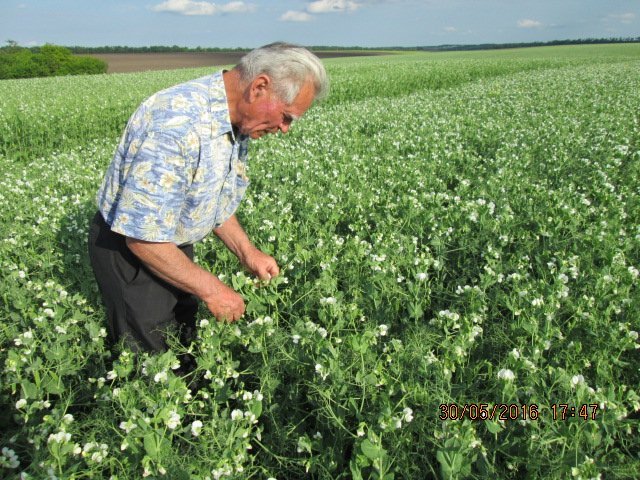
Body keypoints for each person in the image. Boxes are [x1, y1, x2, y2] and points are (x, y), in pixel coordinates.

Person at [88, 42, 329, 353]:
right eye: (286, 116)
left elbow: (207, 197)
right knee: (151, 354)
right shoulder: (177, 126)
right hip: (134, 251)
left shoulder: (236, 120)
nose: (285, 129)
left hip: (170, 242)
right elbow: (142, 238)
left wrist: (247, 252)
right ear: (259, 87)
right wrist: (214, 290)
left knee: (182, 339)